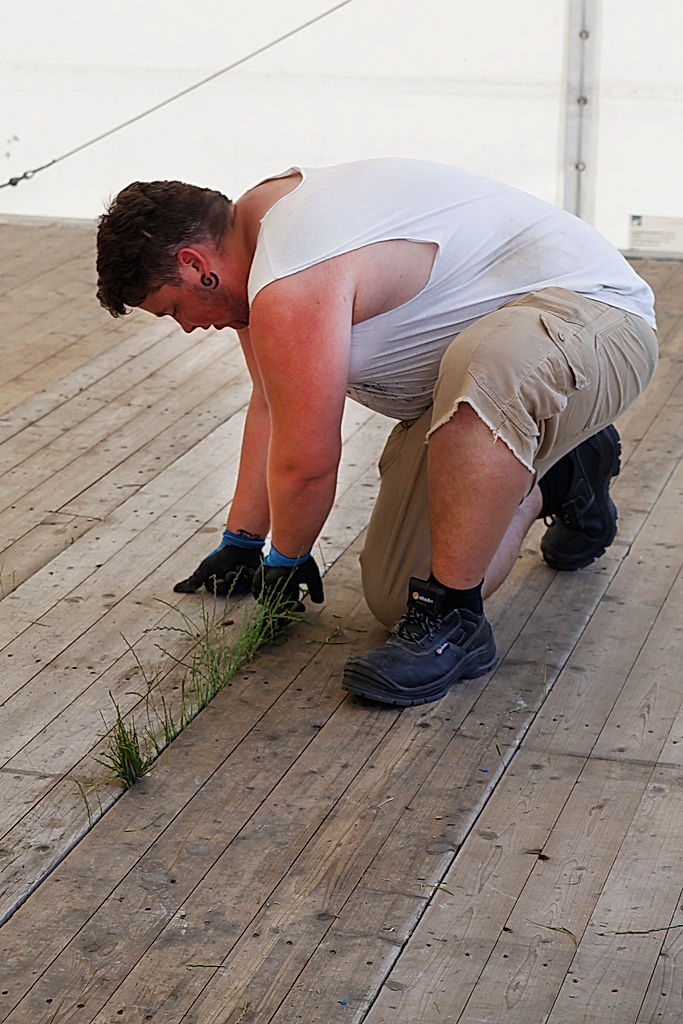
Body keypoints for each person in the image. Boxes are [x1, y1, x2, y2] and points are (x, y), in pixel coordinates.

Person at [96, 158, 657, 707]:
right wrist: (243, 543)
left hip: (595, 316)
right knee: (398, 594)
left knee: (484, 370)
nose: (190, 325)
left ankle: (456, 623)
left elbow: (307, 462)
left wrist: (284, 563)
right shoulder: (255, 271)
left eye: (174, 309)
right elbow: (273, 408)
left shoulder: (290, 268)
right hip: (475, 389)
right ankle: (562, 473)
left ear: (195, 264)